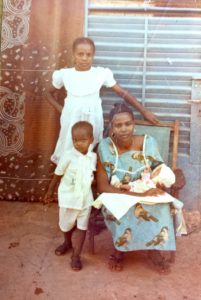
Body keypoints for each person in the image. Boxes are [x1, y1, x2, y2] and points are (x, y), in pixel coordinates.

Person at [96, 103, 183, 274]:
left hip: (146, 189)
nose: (124, 129)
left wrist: (155, 184)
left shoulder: (148, 143)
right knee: (126, 208)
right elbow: (102, 185)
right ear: (111, 126)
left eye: (128, 124)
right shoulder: (105, 147)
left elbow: (159, 171)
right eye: (118, 125)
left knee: (161, 207)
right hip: (118, 194)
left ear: (134, 123)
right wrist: (135, 194)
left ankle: (154, 250)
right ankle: (120, 250)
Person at [46, 37, 160, 164]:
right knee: (68, 149)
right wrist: (61, 109)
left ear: (93, 55)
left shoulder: (100, 74)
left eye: (88, 55)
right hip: (71, 120)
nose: (84, 58)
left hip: (92, 120)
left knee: (92, 152)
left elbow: (122, 93)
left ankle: (91, 180)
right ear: (74, 54)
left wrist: (144, 111)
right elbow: (48, 93)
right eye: (80, 54)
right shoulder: (65, 74)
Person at [44, 121, 97, 271]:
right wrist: (49, 191)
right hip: (68, 197)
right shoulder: (67, 156)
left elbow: (92, 176)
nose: (78, 143)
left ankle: (76, 256)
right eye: (75, 140)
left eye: (82, 140)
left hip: (85, 199)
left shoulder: (93, 157)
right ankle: (67, 242)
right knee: (65, 224)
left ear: (91, 139)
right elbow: (57, 174)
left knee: (82, 227)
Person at [111, 163, 176, 193]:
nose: (153, 172)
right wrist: (146, 172)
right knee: (128, 182)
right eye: (155, 171)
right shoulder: (150, 181)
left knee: (127, 186)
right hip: (135, 184)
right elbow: (145, 179)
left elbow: (144, 187)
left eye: (156, 174)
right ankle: (119, 184)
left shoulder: (152, 187)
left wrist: (135, 187)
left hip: (135, 189)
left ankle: (118, 186)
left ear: (160, 181)